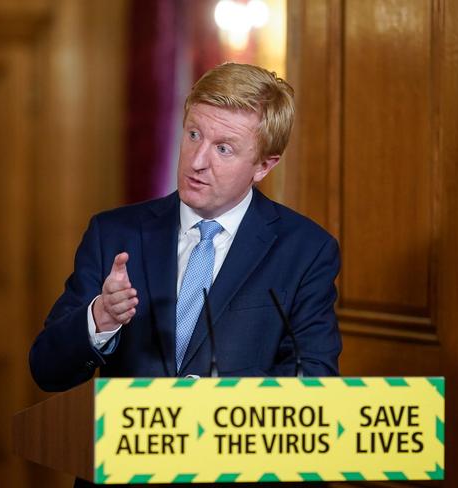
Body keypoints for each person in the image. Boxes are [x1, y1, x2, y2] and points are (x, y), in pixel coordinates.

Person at [29, 63, 341, 488]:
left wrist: (213, 401)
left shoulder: (305, 250)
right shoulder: (115, 233)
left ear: (264, 166)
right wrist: (99, 319)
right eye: (193, 135)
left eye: (224, 149)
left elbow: (315, 383)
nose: (197, 161)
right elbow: (47, 369)